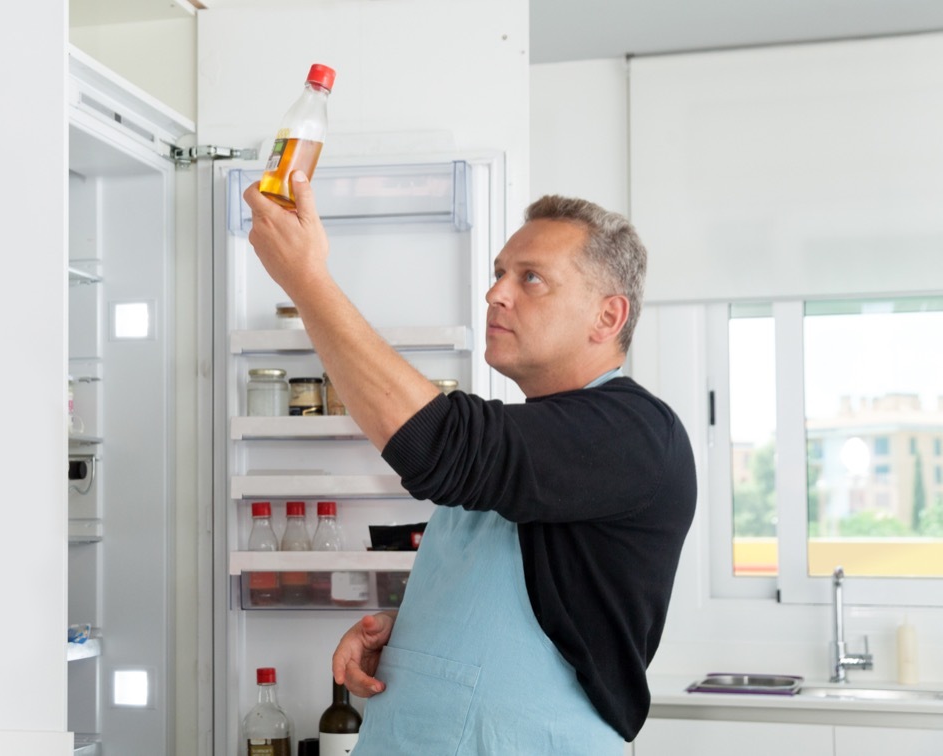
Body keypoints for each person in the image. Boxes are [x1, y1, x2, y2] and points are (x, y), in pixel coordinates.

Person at [243, 171, 696, 754]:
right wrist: (407, 641)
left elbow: (438, 444)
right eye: (498, 274)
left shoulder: (636, 433)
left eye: (531, 278)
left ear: (608, 318)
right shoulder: (531, 438)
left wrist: (305, 278)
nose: (496, 294)